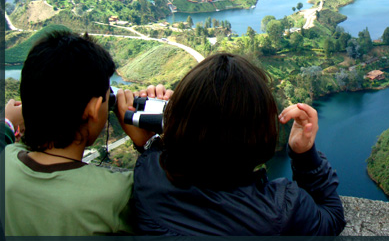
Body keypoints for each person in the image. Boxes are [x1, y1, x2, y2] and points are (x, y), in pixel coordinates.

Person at [133, 52, 346, 236]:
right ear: (261, 135)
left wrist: (168, 125)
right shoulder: (281, 211)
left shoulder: (148, 174)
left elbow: (159, 155)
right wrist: (304, 154)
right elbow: (332, 218)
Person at [1, 29, 170, 236]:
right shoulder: (119, 193)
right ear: (92, 109)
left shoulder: (6, 160)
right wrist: (151, 142)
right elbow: (182, 196)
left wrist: (10, 121)